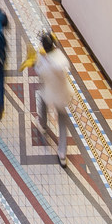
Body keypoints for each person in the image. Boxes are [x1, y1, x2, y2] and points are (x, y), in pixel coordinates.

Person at [34, 32, 73, 168]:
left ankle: (43, 125)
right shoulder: (60, 57)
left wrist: (38, 60)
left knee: (43, 102)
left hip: (50, 92)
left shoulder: (43, 60)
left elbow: (39, 71)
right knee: (63, 119)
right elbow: (64, 67)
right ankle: (62, 153)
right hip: (62, 93)